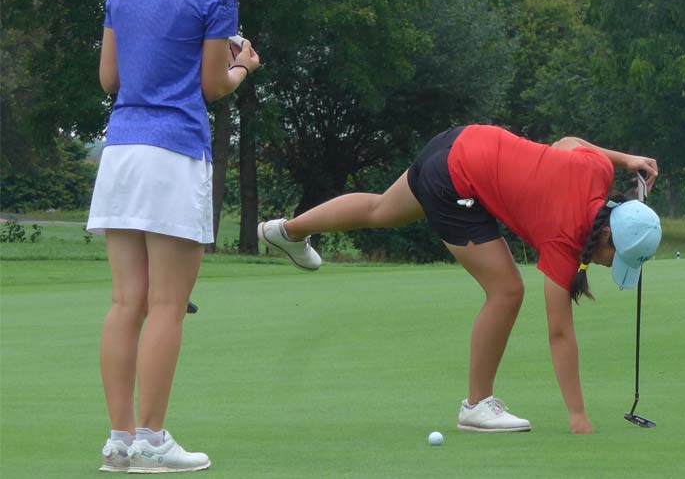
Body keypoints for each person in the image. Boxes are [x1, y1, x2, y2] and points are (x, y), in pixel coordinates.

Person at [258, 125, 662, 434]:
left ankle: (287, 231)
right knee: (506, 290)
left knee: (381, 209)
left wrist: (626, 159)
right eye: (617, 258)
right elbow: (559, 334)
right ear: (607, 234)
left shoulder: (594, 171)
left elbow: (568, 142)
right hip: (456, 181)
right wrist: (578, 416)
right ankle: (476, 406)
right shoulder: (565, 238)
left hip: (460, 141)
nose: (612, 266)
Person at [88, 0, 259, 472]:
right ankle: (152, 441)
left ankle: (119, 442)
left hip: (121, 153)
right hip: (174, 153)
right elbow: (212, 85)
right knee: (166, 305)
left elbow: (110, 80)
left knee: (125, 303)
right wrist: (245, 67)